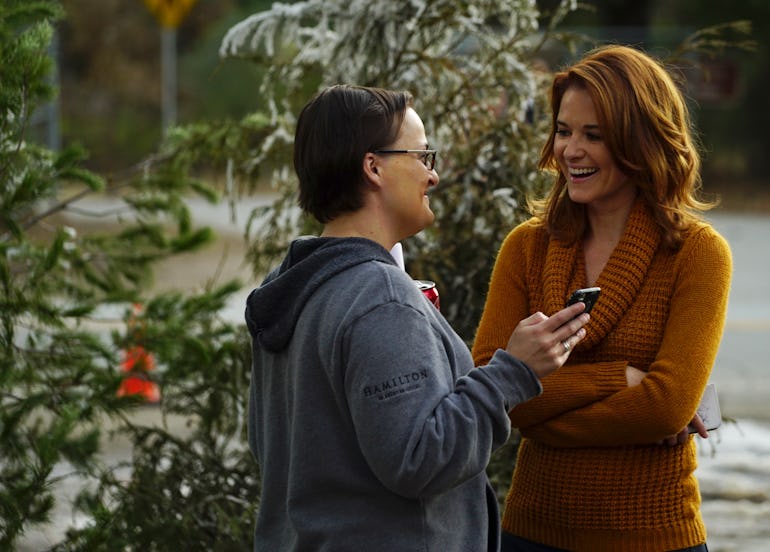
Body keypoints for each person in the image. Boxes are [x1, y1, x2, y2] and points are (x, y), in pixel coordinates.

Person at [244, 84, 592, 551]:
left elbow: (269, 444)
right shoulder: (378, 296)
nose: (433, 176)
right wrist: (513, 371)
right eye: (423, 156)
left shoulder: (292, 282)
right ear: (374, 167)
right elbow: (420, 458)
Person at [471, 45, 733, 551]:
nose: (571, 150)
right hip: (533, 531)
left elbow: (666, 408)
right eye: (564, 131)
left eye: (594, 135)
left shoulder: (697, 254)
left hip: (654, 535)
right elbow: (494, 392)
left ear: (641, 142)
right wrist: (624, 379)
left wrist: (542, 408)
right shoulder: (526, 247)